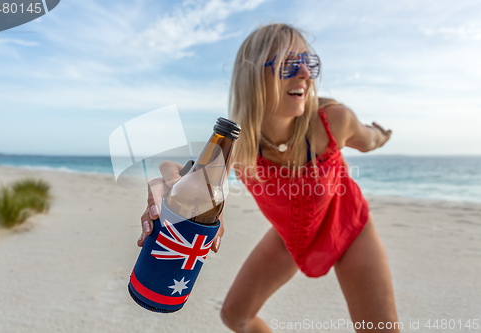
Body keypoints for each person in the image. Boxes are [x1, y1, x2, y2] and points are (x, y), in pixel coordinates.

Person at [138, 23, 398, 333]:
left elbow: (369, 140)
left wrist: (383, 133)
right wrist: (170, 186)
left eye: (309, 62)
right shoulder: (238, 141)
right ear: (253, 76)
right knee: (236, 317)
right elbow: (190, 177)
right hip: (290, 236)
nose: (304, 72)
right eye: (289, 63)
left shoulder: (332, 121)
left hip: (349, 223)